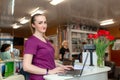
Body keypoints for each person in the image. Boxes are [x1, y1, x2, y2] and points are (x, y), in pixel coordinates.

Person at [23, 14, 73, 80]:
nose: (44, 25)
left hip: (50, 77)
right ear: (33, 25)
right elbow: (26, 67)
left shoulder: (46, 41)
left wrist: (62, 66)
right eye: (40, 23)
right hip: (40, 78)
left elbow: (49, 61)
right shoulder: (31, 41)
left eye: (45, 22)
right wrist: (49, 71)